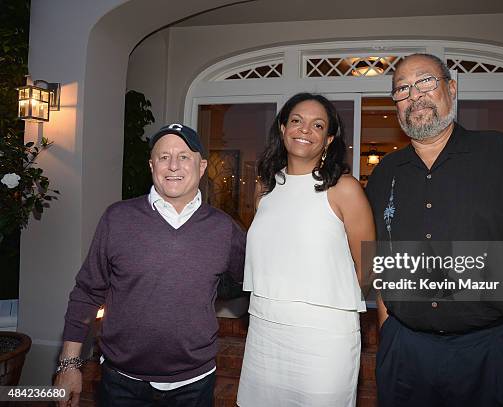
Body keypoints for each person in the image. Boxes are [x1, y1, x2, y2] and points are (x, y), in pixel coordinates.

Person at [366, 54, 503, 407]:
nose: (415, 95)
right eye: (402, 88)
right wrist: (389, 331)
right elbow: (384, 264)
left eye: (425, 81)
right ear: (396, 103)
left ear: (452, 88)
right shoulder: (385, 173)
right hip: (406, 357)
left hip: (496, 354)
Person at [54, 123, 245, 407]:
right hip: (122, 382)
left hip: (194, 384)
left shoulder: (224, 229)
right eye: (163, 156)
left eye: (183, 156)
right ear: (151, 164)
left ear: (201, 165)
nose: (173, 165)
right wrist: (69, 365)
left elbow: (253, 283)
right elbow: (87, 292)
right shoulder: (117, 218)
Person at [237, 93, 375, 406]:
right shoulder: (265, 187)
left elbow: (366, 263)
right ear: (283, 128)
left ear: (328, 139)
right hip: (265, 328)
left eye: (317, 125)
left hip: (324, 336)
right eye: (297, 121)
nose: (304, 130)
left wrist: (331, 303)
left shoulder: (344, 188)